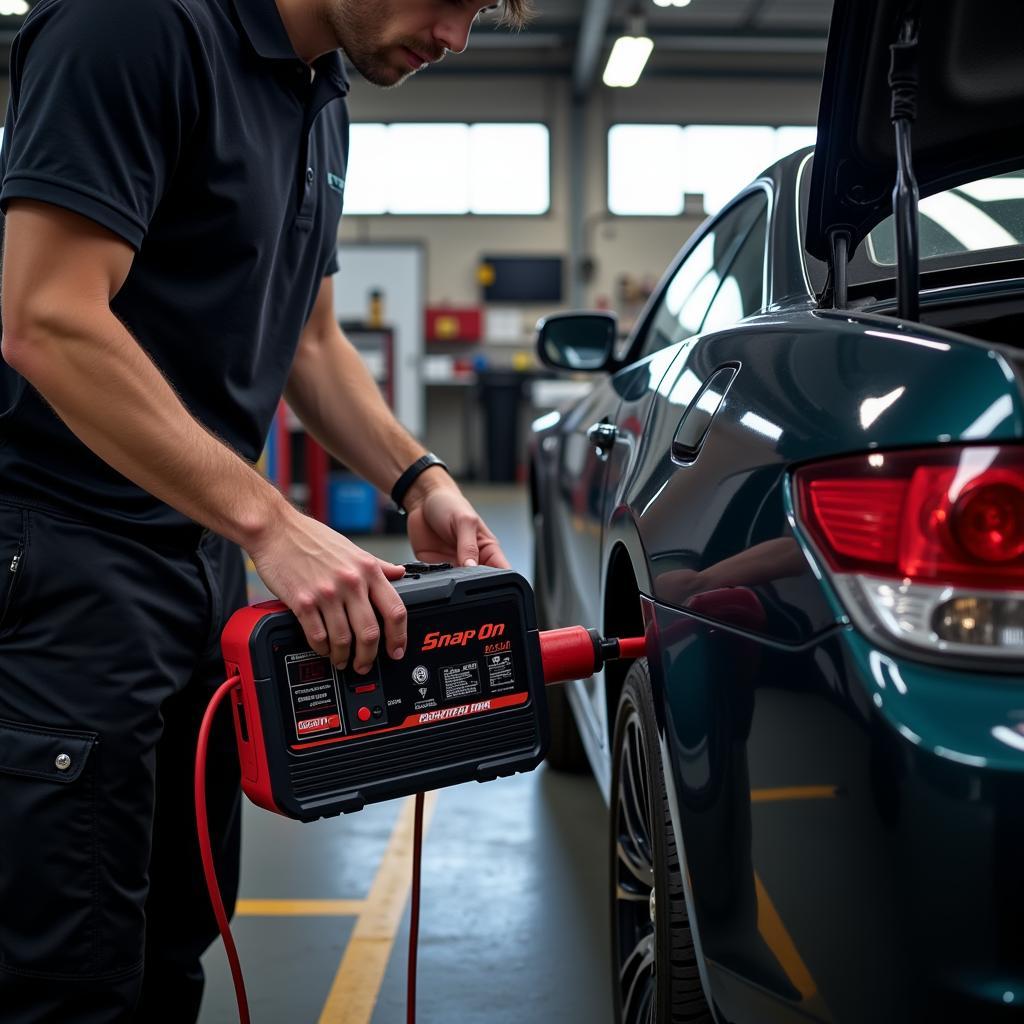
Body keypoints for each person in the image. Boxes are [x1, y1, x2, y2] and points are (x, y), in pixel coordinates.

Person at [0, 0, 530, 1019]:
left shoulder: (319, 90)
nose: (456, 37)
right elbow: (48, 319)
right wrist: (272, 524)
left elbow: (311, 340)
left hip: (192, 567)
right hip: (61, 559)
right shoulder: (136, 26)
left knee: (173, 939)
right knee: (63, 973)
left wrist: (419, 476)